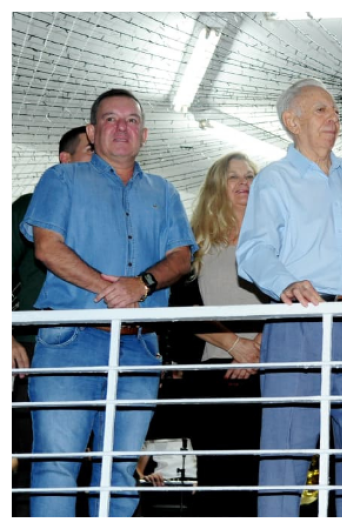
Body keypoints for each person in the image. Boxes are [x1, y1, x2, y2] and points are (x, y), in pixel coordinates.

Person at [21, 88, 196, 517]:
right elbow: (47, 247)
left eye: (132, 120)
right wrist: (114, 289)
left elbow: (182, 257)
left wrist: (143, 284)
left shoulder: (165, 192)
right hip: (70, 341)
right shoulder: (61, 179)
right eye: (111, 119)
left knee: (119, 471)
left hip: (138, 347)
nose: (122, 127)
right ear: (92, 131)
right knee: (56, 466)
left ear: (144, 133)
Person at [236, 79, 342, 517]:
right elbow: (253, 251)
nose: (334, 119)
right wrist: (286, 283)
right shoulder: (273, 179)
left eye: (335, 111)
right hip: (298, 321)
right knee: (286, 451)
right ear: (292, 121)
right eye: (322, 110)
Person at [178, 152, 269, 516]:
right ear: (218, 185)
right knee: (216, 475)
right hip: (211, 373)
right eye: (234, 176)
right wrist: (235, 345)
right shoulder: (194, 243)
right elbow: (182, 308)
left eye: (250, 175)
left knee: (261, 474)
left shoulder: (276, 237)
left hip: (270, 368)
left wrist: (256, 347)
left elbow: (293, 296)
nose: (244, 182)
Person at [12, 125, 94, 517]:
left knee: (90, 460)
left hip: (97, 348)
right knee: (36, 456)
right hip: (33, 349)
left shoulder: (117, 213)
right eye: (90, 150)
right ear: (65, 160)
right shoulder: (29, 205)